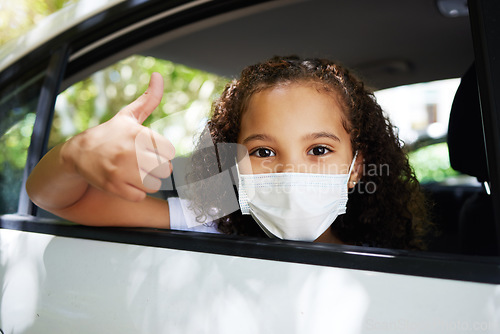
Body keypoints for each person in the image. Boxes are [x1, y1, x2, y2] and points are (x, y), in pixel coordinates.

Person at [27, 56, 431, 250]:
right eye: (264, 151)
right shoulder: (211, 222)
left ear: (357, 167)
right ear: (233, 165)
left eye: (319, 149)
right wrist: (75, 155)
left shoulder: (394, 262)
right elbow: (56, 199)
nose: (289, 170)